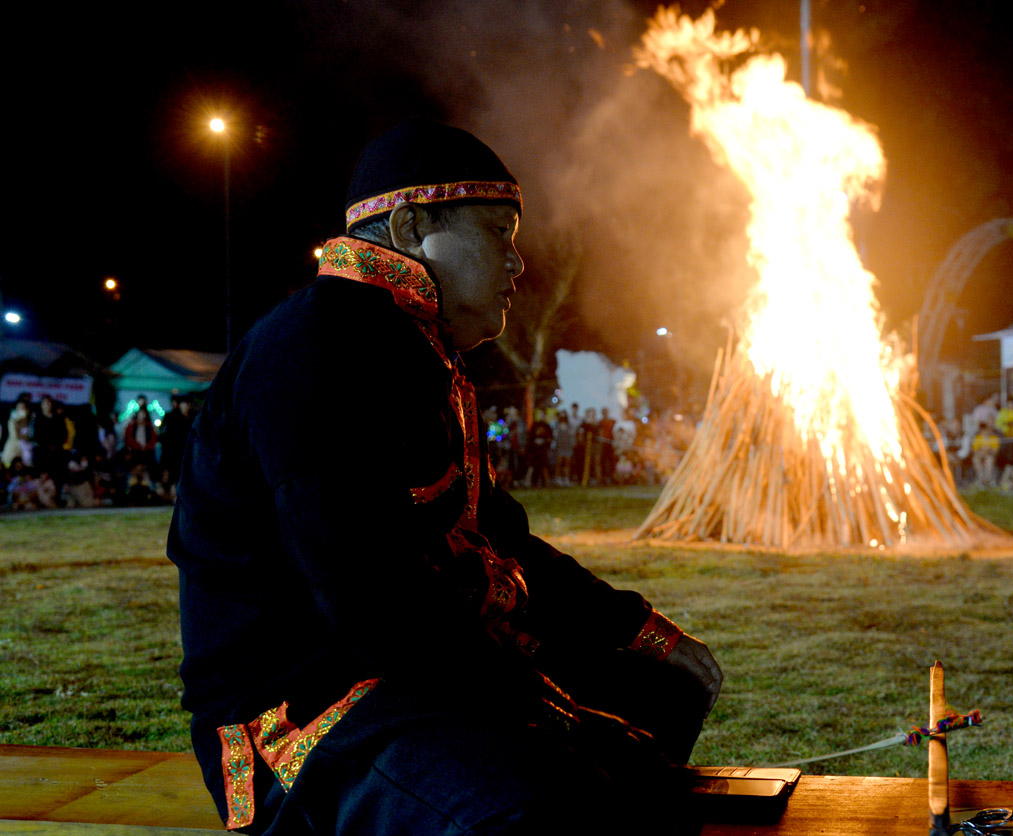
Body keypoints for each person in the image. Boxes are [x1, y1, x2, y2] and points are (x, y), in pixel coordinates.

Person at [168, 120, 722, 836]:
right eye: (498, 233)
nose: (518, 265)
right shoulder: (313, 351)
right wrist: (550, 711)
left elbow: (498, 541)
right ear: (408, 226)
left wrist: (644, 632)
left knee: (659, 690)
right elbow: (371, 603)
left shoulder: (419, 354)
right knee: (550, 807)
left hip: (414, 670)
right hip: (317, 706)